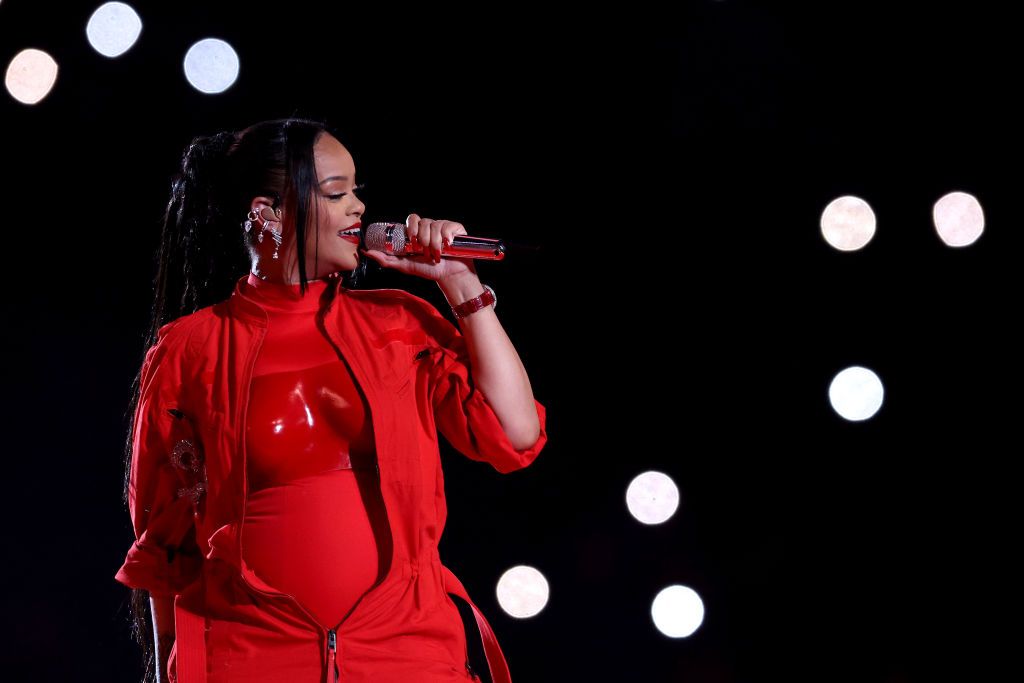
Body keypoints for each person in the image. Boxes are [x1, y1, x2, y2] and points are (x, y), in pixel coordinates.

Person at [114, 118, 548, 683]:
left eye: (356, 191)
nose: (358, 208)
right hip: (250, 657)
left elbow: (514, 435)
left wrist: (462, 285)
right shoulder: (190, 350)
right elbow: (164, 549)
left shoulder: (398, 324)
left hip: (406, 653)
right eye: (336, 193)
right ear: (267, 213)